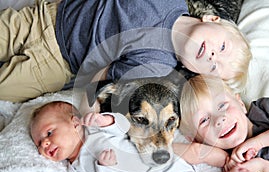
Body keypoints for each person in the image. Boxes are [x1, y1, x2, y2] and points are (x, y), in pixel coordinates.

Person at [0, 0, 251, 103]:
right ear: (212, 18)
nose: (213, 56)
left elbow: (104, 72)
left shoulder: (158, 67)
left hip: (57, 64)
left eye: (213, 67)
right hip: (50, 16)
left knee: (5, 89)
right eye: (222, 47)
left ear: (193, 71)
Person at [30, 101, 249, 172]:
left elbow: (124, 127)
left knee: (191, 150)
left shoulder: (96, 131)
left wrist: (105, 119)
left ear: (75, 123)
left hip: (157, 155)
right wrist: (104, 168)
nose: (44, 144)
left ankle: (226, 159)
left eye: (48, 134)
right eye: (39, 143)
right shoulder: (75, 169)